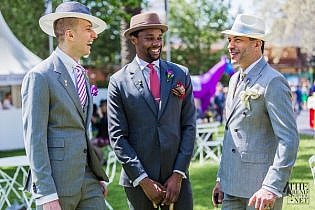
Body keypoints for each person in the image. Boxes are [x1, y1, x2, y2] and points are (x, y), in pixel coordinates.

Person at [21, 2, 109, 209]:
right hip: (57, 186)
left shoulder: (82, 76)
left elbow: (80, 130)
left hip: (89, 181)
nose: (94, 35)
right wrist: (46, 193)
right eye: (88, 29)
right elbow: (35, 139)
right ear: (69, 35)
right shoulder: (40, 76)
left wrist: (95, 173)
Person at [107, 12, 196, 210]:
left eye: (159, 38)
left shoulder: (181, 74)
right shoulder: (118, 82)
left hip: (178, 181)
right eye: (149, 38)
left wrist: (178, 173)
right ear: (133, 39)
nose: (156, 43)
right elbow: (117, 137)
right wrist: (143, 180)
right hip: (139, 183)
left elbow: (189, 126)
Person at [212, 14, 299, 210]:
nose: (230, 46)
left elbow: (289, 139)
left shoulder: (273, 81)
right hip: (230, 188)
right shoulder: (234, 80)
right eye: (230, 40)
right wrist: (221, 178)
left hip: (261, 192)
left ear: (256, 44)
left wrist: (271, 187)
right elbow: (231, 134)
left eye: (238, 40)